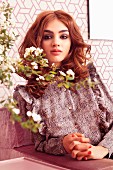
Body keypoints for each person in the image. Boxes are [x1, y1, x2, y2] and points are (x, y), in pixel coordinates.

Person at [14, 10, 113, 161]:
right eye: (47, 37)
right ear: (37, 42)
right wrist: (63, 144)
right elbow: (39, 145)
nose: (56, 42)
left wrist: (102, 149)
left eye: (63, 36)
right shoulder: (28, 95)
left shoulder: (89, 78)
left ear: (72, 41)